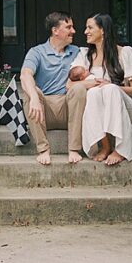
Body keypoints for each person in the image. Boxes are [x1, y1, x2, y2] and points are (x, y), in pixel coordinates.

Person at [70, 13, 132, 165]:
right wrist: (94, 83)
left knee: (110, 90)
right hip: (98, 106)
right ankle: (105, 146)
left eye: (90, 27)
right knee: (94, 92)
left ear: (103, 30)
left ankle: (121, 148)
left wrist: (112, 86)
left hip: (129, 110)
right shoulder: (85, 55)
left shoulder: (125, 53)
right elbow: (69, 85)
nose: (85, 32)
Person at [20, 11, 87, 165]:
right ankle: (43, 149)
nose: (74, 31)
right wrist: (35, 98)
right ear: (55, 31)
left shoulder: (77, 52)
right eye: (69, 27)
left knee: (79, 88)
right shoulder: (37, 52)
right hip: (43, 113)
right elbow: (25, 75)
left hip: (69, 109)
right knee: (30, 91)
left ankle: (74, 148)